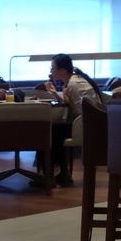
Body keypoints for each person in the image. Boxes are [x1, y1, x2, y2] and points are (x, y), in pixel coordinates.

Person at [36, 53, 104, 186]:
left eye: (52, 68)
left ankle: (48, 175)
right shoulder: (74, 80)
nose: (51, 72)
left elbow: (79, 110)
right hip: (93, 121)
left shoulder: (73, 84)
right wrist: (54, 92)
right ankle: (59, 173)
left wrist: (57, 93)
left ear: (62, 70)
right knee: (55, 129)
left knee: (50, 131)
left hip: (90, 124)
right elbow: (74, 104)